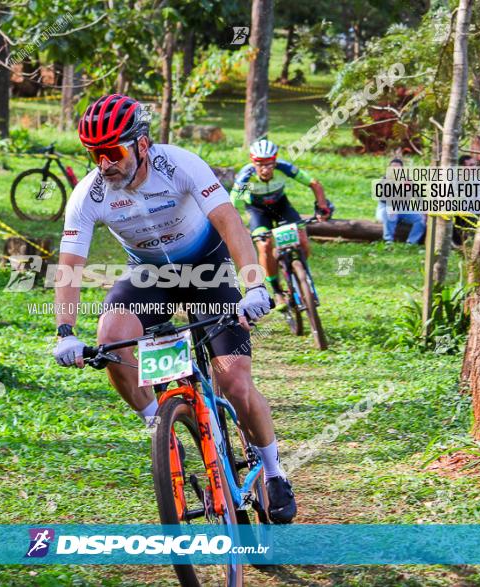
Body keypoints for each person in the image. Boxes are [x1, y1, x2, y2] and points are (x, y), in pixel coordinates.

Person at [52, 94, 297, 523]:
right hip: (150, 277)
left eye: (113, 152)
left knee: (235, 384)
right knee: (111, 338)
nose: (104, 163)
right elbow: (70, 265)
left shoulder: (179, 164)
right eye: (94, 154)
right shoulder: (88, 194)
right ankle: (160, 428)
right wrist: (65, 331)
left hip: (208, 269)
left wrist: (254, 286)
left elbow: (229, 222)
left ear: (142, 144)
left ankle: (274, 471)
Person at [230, 139, 332, 307]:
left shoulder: (284, 168)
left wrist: (322, 206)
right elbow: (232, 203)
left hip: (281, 205)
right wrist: (236, 225)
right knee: (264, 245)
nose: (264, 169)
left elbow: (314, 184)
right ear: (252, 161)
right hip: (258, 210)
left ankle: (299, 274)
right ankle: (277, 291)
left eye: (269, 164)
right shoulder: (246, 176)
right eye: (259, 164)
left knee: (303, 240)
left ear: (275, 161)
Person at [377, 157, 425, 244]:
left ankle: (411, 242)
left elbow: (418, 197)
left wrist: (424, 210)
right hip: (386, 208)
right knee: (391, 212)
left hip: (403, 209)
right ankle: (388, 240)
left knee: (421, 219)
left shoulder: (407, 181)